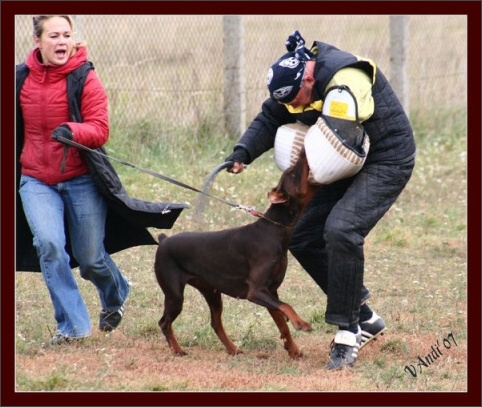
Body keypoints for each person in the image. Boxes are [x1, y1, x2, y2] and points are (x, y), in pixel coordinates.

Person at [224, 30, 416, 370]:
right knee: (302, 235)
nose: (295, 108)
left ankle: (347, 333)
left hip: (385, 157)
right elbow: (272, 116)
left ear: (309, 77)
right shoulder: (295, 84)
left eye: (298, 99)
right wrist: (243, 152)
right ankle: (365, 317)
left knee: (341, 229)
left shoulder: (346, 81)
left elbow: (340, 137)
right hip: (340, 157)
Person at [16, 15, 187, 345]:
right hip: (36, 180)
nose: (62, 41)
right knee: (49, 246)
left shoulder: (84, 76)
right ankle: (73, 328)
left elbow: (99, 128)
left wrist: (73, 131)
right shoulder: (19, 78)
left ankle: (116, 290)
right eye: (54, 35)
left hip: (81, 179)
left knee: (90, 256)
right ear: (38, 41)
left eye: (67, 34)